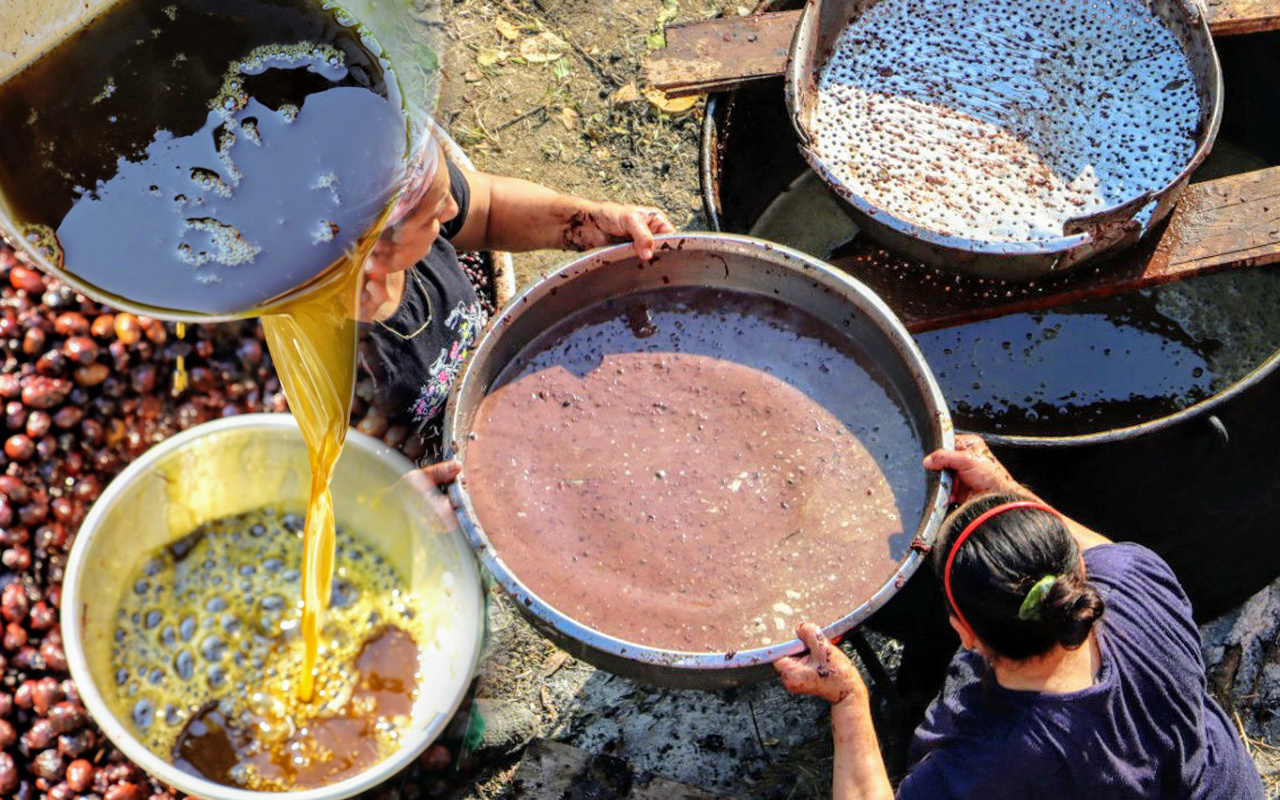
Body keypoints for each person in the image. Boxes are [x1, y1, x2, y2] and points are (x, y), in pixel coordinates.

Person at [776, 433, 1264, 800]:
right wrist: (1006, 490)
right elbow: (1093, 553)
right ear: (1076, 574)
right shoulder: (1139, 581)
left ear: (963, 634)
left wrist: (846, 700)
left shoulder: (987, 763)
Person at [357, 133, 674, 432]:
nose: (451, 209)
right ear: (373, 247)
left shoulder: (407, 191)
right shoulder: (327, 370)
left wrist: (585, 222)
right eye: (433, 215)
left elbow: (490, 206)